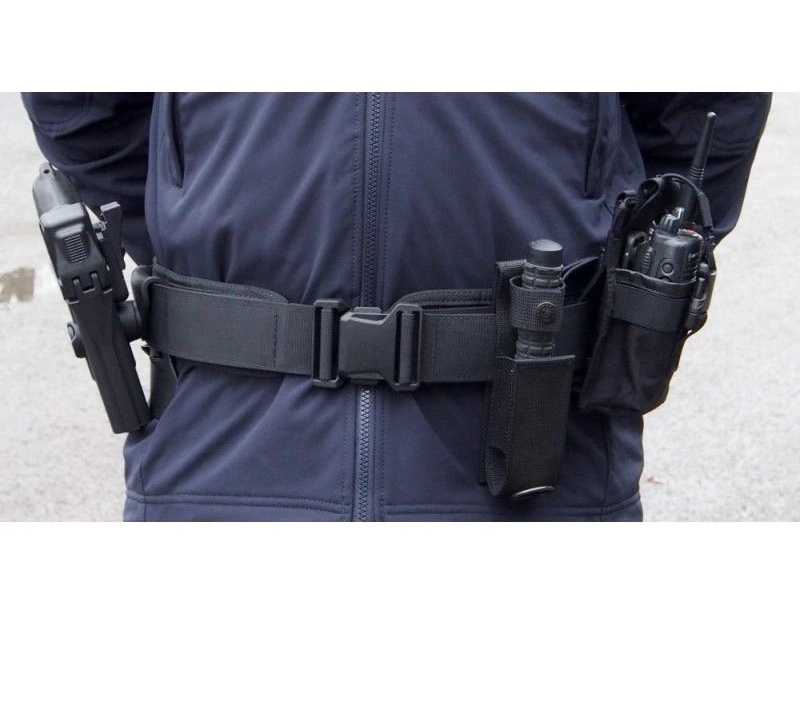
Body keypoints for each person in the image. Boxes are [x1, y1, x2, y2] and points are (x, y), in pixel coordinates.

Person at [22, 92, 771, 521]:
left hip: (533, 442)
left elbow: (707, 109)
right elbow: (80, 97)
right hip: (225, 443)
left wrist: (620, 240)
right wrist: (198, 232)